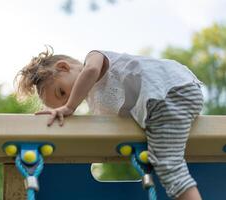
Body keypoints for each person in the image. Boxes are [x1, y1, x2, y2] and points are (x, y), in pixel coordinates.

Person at [14, 45, 204, 200]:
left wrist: (70, 106)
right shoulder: (95, 102)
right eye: (62, 103)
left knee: (169, 165)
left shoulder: (93, 57)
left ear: (64, 67)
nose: (70, 100)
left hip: (167, 92)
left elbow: (91, 70)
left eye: (62, 92)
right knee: (164, 164)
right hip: (168, 100)